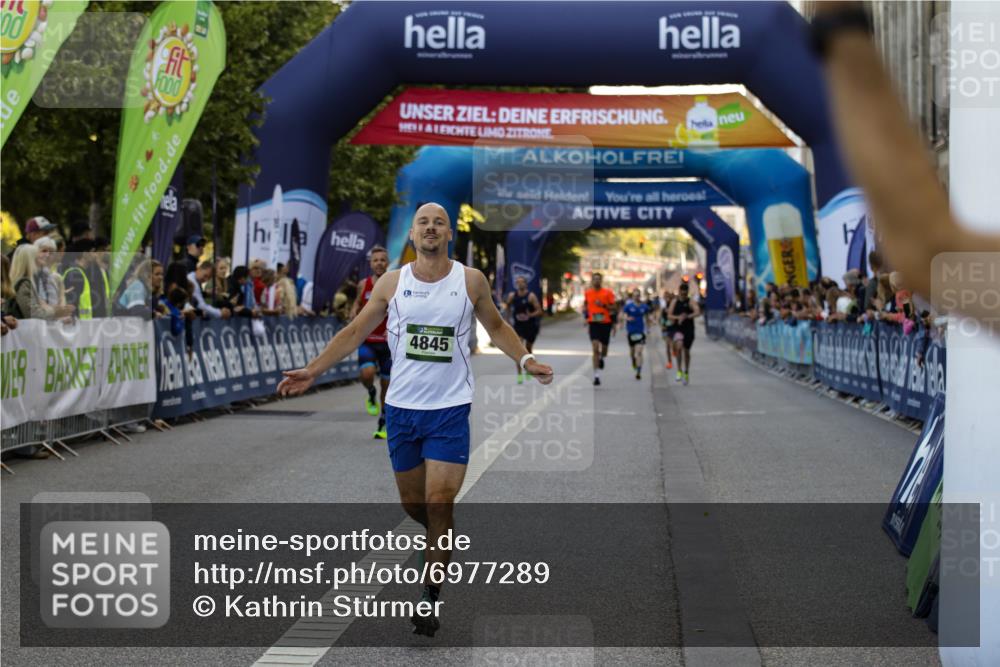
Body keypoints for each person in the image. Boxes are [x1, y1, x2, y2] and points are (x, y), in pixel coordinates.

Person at [278, 203, 553, 637]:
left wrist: (526, 357)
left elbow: (497, 327)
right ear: (412, 235)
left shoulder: (470, 281)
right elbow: (353, 331)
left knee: (439, 501)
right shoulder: (392, 283)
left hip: (449, 409)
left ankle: (429, 597)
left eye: (438, 222)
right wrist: (313, 370)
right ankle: (439, 538)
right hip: (403, 411)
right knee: (415, 505)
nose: (430, 228)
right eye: (423, 222)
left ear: (449, 235)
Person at [351, 245, 392, 438]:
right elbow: (357, 305)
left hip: (387, 343)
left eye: (382, 260)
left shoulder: (394, 284)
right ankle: (370, 392)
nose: (379, 263)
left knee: (387, 385)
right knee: (367, 374)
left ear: (387, 263)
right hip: (367, 339)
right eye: (376, 260)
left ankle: (382, 423)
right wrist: (353, 314)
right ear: (371, 263)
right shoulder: (363, 284)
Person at [9, 245, 74, 320]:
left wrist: (60, 314)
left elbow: (42, 308)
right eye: (38, 255)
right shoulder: (24, 284)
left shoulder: (35, 281)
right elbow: (34, 313)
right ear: (30, 260)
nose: (45, 256)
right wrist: (56, 312)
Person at [504, 276, 543, 384]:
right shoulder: (513, 296)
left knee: (528, 350)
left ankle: (529, 370)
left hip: (530, 326)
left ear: (526, 284)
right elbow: (507, 307)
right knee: (519, 351)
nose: (520, 284)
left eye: (522, 282)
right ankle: (520, 374)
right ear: (516, 284)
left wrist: (531, 315)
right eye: (518, 282)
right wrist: (507, 320)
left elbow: (539, 311)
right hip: (518, 326)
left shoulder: (531, 296)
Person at [582, 272, 617, 386]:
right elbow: (586, 306)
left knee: (605, 350)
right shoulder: (588, 293)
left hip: (605, 322)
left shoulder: (608, 292)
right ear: (592, 281)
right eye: (594, 279)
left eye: (598, 279)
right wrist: (585, 317)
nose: (596, 281)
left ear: (601, 281)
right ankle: (596, 376)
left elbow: (614, 307)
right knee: (595, 347)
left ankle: (602, 357)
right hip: (594, 323)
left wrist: (603, 305)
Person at [668, 281, 700, 385]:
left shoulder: (690, 301)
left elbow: (697, 311)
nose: (683, 295)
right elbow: (669, 315)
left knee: (686, 352)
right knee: (679, 346)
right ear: (679, 292)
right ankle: (679, 370)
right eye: (682, 293)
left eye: (685, 294)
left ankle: (686, 371)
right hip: (678, 328)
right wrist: (678, 317)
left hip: (689, 329)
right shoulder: (674, 302)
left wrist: (687, 316)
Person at [620, 288, 650, 380]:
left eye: (638, 295)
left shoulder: (644, 306)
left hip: (641, 332)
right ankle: (633, 361)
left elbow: (647, 317)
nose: (636, 297)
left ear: (640, 296)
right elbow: (623, 315)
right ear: (632, 296)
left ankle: (639, 371)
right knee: (633, 353)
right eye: (635, 295)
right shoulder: (628, 306)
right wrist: (627, 318)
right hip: (631, 332)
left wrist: (648, 328)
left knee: (639, 352)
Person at [660, 289, 677, 370]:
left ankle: (674, 350)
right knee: (667, 346)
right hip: (666, 329)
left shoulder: (674, 308)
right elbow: (661, 318)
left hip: (673, 328)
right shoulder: (664, 309)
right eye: (665, 298)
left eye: (668, 298)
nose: (667, 299)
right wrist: (662, 325)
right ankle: (669, 362)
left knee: (673, 344)